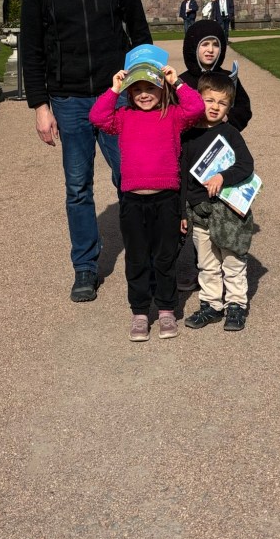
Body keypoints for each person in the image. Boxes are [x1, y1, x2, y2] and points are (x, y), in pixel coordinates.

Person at [21, 0, 152, 304]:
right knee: (78, 188)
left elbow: (140, 34)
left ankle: (145, 257)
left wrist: (146, 88)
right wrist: (40, 106)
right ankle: (85, 266)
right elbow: (32, 49)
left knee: (132, 177)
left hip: (116, 96)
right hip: (68, 100)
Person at [89, 59, 205, 341]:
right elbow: (98, 117)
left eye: (150, 88)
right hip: (133, 200)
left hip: (166, 199)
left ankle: (166, 309)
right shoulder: (124, 116)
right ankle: (140, 312)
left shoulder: (174, 115)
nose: (144, 94)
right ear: (129, 93)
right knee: (137, 258)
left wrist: (177, 82)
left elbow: (197, 108)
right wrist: (114, 90)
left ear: (162, 90)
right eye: (137, 89)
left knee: (165, 258)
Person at [181, 73, 256, 332]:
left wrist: (223, 176)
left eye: (222, 103)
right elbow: (183, 178)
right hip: (199, 211)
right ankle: (211, 305)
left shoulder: (230, 133)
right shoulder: (188, 136)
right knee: (207, 263)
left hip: (227, 212)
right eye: (209, 100)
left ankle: (236, 305)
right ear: (198, 100)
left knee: (232, 261)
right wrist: (182, 213)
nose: (214, 106)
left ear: (228, 107)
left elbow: (246, 165)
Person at [179, 20, 252, 132]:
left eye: (216, 45)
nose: (210, 50)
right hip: (190, 138)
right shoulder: (182, 81)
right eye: (205, 44)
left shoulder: (228, 77)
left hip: (222, 135)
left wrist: (228, 118)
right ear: (193, 47)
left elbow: (244, 109)